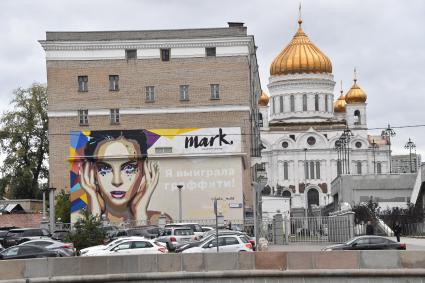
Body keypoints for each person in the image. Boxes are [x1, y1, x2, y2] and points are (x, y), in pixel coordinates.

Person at [79, 130, 167, 223]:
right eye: (105, 168)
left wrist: (140, 213)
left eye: (129, 168)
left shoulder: (158, 219)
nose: (117, 181)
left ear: (144, 170)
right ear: (91, 172)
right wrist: (94, 210)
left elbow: (142, 237)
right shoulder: (79, 219)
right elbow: (93, 236)